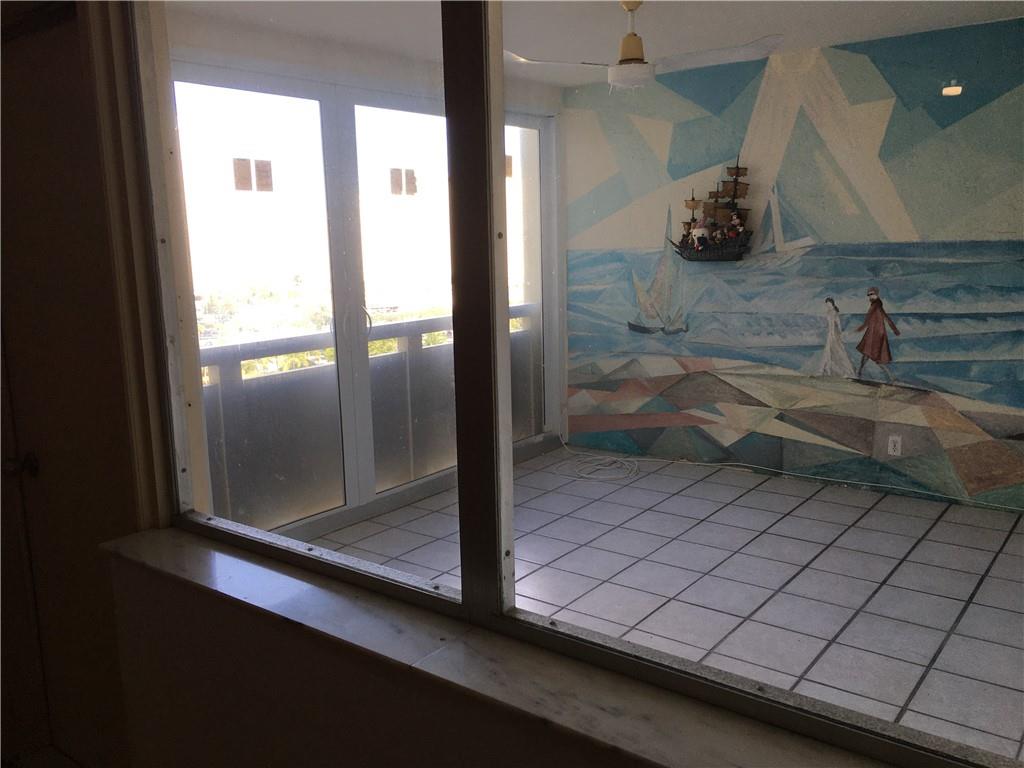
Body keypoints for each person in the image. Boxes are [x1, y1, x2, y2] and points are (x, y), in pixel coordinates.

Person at [855, 287, 900, 381]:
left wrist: (861, 327)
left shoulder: (876, 305)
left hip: (875, 333)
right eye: (869, 295)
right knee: (870, 354)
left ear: (876, 294)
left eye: (871, 294)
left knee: (871, 355)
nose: (870, 296)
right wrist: (894, 329)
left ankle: (859, 373)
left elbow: (869, 317)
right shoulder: (878, 304)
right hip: (875, 332)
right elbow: (886, 317)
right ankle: (860, 372)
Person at [818, 297, 855, 378]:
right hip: (829, 334)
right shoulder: (828, 312)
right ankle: (825, 370)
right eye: (827, 304)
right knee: (828, 351)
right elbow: (828, 324)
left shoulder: (835, 312)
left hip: (834, 334)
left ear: (832, 304)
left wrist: (839, 333)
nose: (828, 305)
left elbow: (838, 324)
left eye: (829, 304)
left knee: (838, 351)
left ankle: (845, 371)